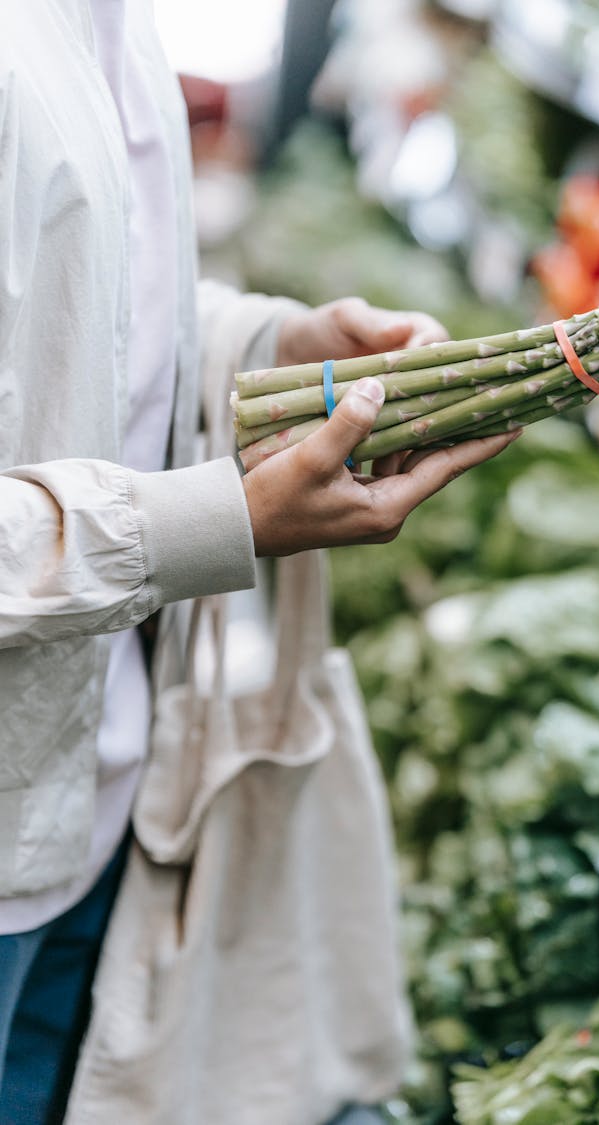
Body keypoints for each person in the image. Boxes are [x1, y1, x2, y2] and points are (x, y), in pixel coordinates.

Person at [0, 1, 521, 1122]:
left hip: (95, 792)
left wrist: (265, 350)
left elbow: (77, 308)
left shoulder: (109, 26)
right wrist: (213, 522)